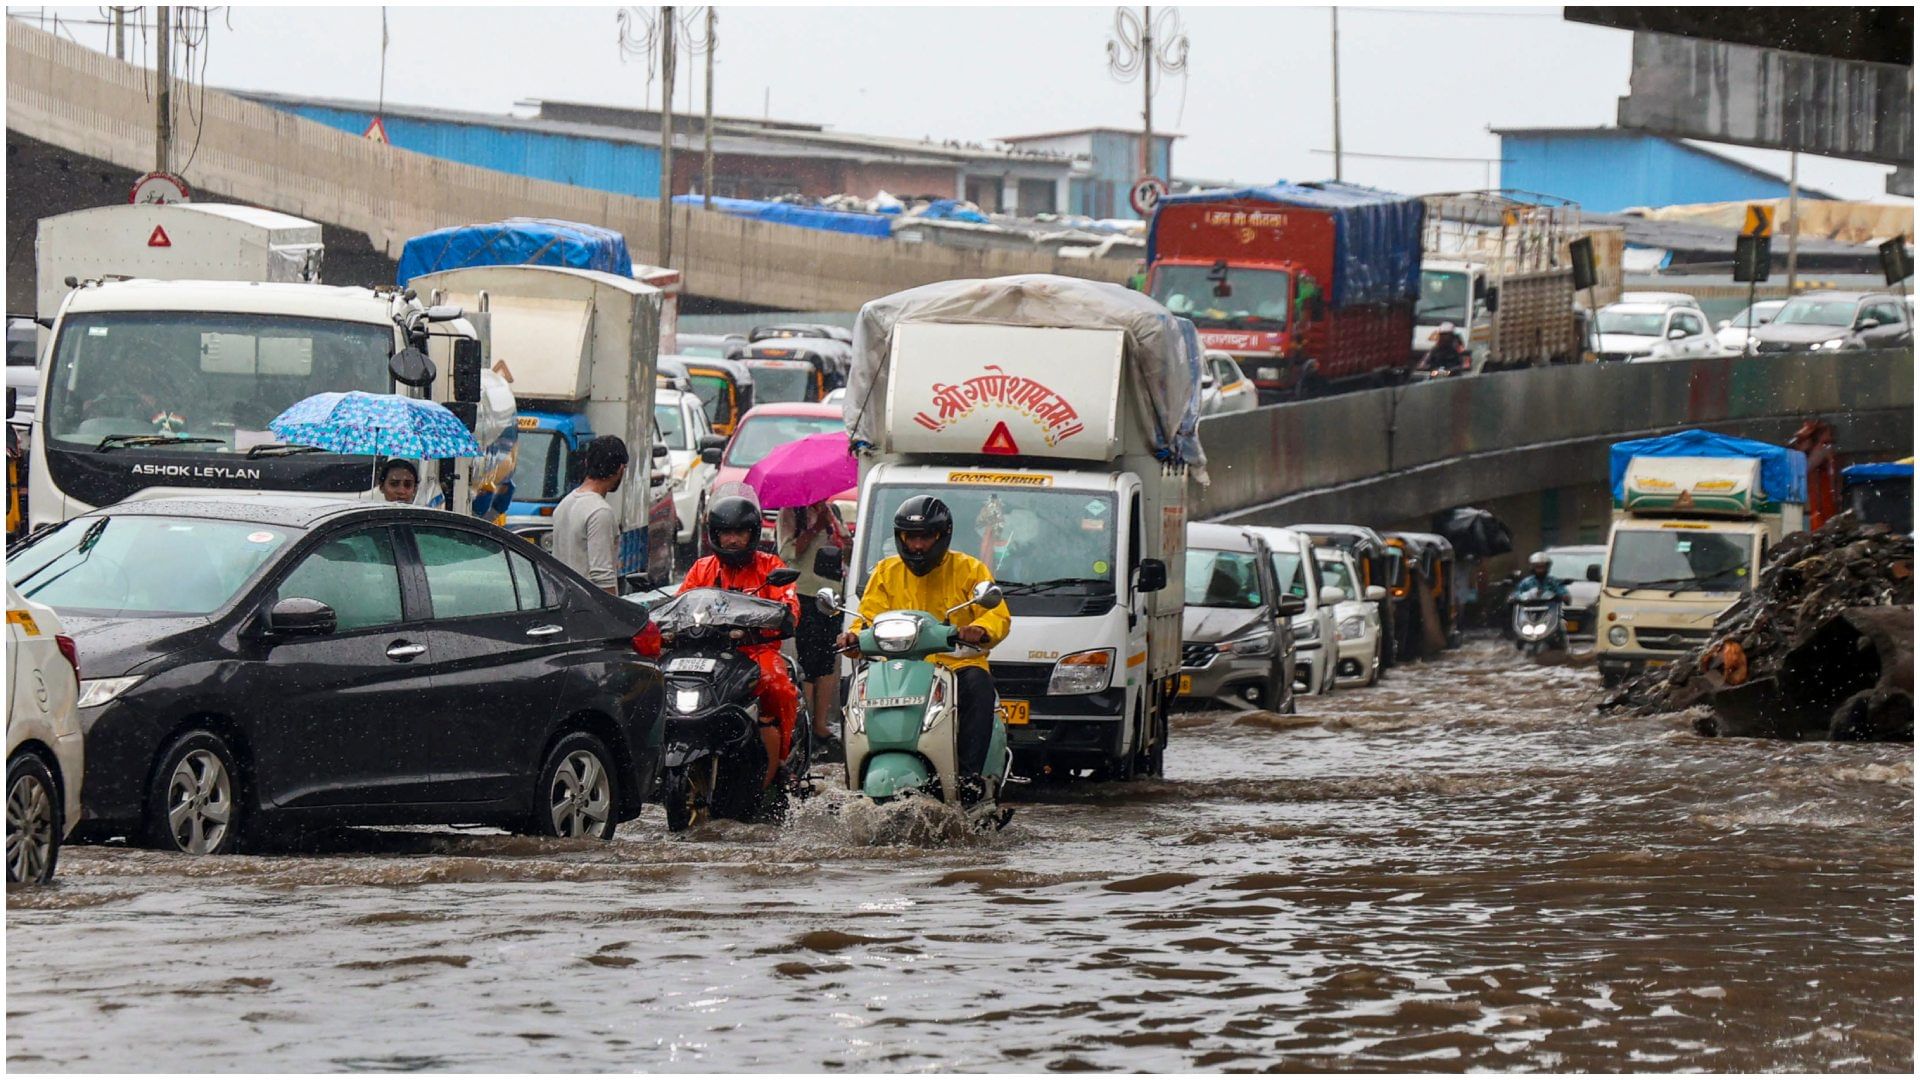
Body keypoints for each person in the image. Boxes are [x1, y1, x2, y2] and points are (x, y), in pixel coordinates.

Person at [836, 496, 1011, 803]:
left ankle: (970, 777)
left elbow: (998, 614)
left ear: (942, 537)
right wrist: (853, 638)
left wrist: (980, 629)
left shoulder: (970, 569)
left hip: (954, 665)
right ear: (900, 537)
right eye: (911, 537)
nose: (917, 546)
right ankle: (852, 773)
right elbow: (867, 617)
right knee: (851, 685)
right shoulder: (886, 572)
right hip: (896, 666)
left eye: (925, 537)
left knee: (978, 684)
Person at [681, 493, 802, 790]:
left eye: (740, 532)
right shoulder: (702, 569)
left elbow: (790, 608)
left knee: (779, 687)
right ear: (715, 535)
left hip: (756, 652)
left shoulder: (771, 566)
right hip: (708, 653)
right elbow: (680, 605)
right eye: (726, 533)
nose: (733, 540)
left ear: (753, 534)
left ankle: (782, 761)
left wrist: (778, 619)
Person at [777, 500, 849, 760]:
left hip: (832, 593)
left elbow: (845, 551)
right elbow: (788, 554)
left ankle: (821, 724)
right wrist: (814, 527)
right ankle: (806, 723)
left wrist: (841, 536)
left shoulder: (833, 511)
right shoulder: (791, 511)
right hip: (806, 593)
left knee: (828, 658)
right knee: (808, 658)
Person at [552, 435, 628, 594]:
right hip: (588, 610)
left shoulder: (564, 504)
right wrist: (613, 616)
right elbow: (602, 575)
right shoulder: (600, 512)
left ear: (587, 463)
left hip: (565, 603)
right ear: (620, 469)